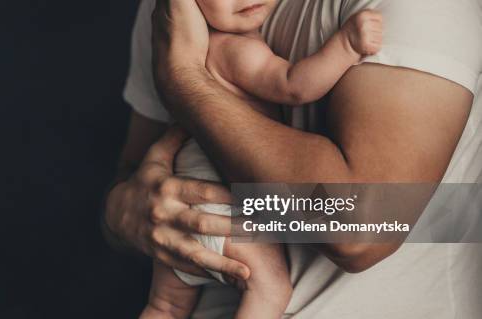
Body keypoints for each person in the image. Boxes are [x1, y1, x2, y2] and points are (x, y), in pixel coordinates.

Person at [104, 0, 482, 317]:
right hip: (220, 262)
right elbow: (130, 176)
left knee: (167, 305)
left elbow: (357, 228)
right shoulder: (171, 10)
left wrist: (183, 79)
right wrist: (123, 213)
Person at [140, 0, 383, 317]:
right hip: (220, 209)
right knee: (270, 290)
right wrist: (347, 45)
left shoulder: (183, 49)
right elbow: (294, 86)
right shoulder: (233, 48)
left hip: (178, 205)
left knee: (165, 305)